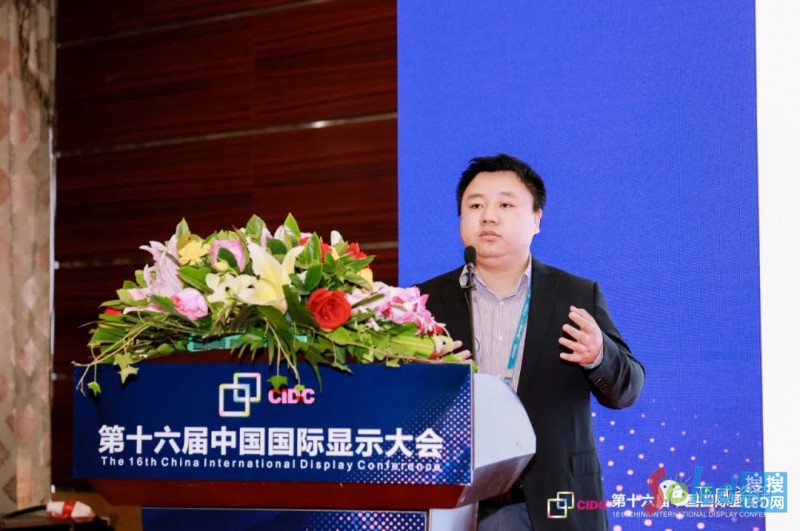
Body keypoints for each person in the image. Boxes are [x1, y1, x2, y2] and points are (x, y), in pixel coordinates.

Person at [417, 154, 645, 530]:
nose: (488, 216)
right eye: (475, 206)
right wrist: (417, 380)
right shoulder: (424, 302)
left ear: (536, 219)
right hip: (456, 503)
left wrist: (599, 355)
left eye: (505, 205)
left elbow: (628, 389)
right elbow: (398, 409)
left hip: (555, 501)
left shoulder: (575, 294)